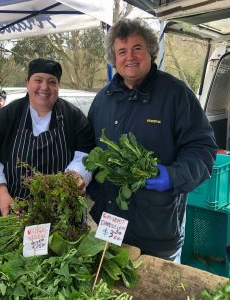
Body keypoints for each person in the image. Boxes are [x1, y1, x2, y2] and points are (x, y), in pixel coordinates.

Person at [87, 18, 218, 263]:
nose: (130, 57)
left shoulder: (176, 95)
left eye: (137, 48)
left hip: (157, 228)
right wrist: (91, 178)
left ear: (150, 52)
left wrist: (173, 176)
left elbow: (203, 148)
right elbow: (88, 148)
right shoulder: (103, 99)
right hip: (110, 223)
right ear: (114, 58)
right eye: (122, 51)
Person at [0, 58, 94, 217]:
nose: (45, 87)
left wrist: (76, 175)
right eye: (38, 80)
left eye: (52, 81)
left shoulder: (73, 116)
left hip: (61, 210)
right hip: (13, 209)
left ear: (58, 86)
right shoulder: (8, 115)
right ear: (28, 82)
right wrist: (2, 195)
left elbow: (87, 152)